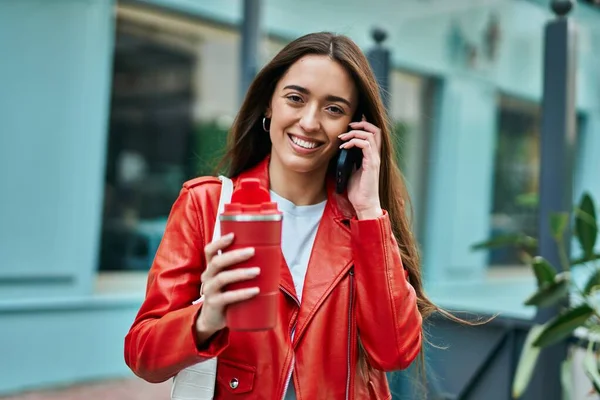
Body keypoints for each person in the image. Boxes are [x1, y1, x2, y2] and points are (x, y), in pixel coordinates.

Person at [124, 31, 439, 399]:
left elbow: (395, 352)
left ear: (354, 127)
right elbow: (143, 355)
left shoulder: (367, 222)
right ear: (269, 103)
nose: (309, 121)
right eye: (295, 98)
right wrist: (205, 318)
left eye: (333, 109)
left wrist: (369, 211)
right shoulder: (206, 204)